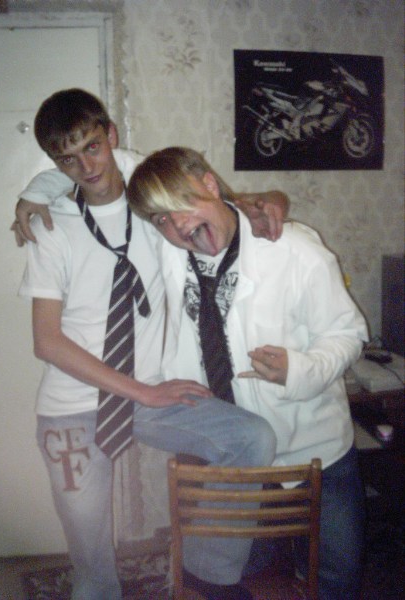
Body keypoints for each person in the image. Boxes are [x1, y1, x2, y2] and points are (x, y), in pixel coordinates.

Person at [18, 89, 280, 600]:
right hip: (74, 405)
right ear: (54, 164)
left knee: (251, 438)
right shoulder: (52, 226)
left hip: (150, 393)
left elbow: (206, 198)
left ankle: (207, 574)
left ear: (112, 136)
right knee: (93, 572)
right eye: (67, 160)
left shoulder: (151, 203)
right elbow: (46, 342)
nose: (86, 167)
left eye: (93, 147)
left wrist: (263, 202)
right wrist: (143, 391)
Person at [127, 146, 369, 600]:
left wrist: (299, 368)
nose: (177, 224)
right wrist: (37, 192)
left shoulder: (294, 250)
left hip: (311, 447)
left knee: (337, 574)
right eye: (161, 219)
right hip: (231, 451)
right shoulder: (168, 252)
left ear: (210, 184)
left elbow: (349, 333)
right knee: (240, 572)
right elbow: (107, 172)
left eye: (182, 202)